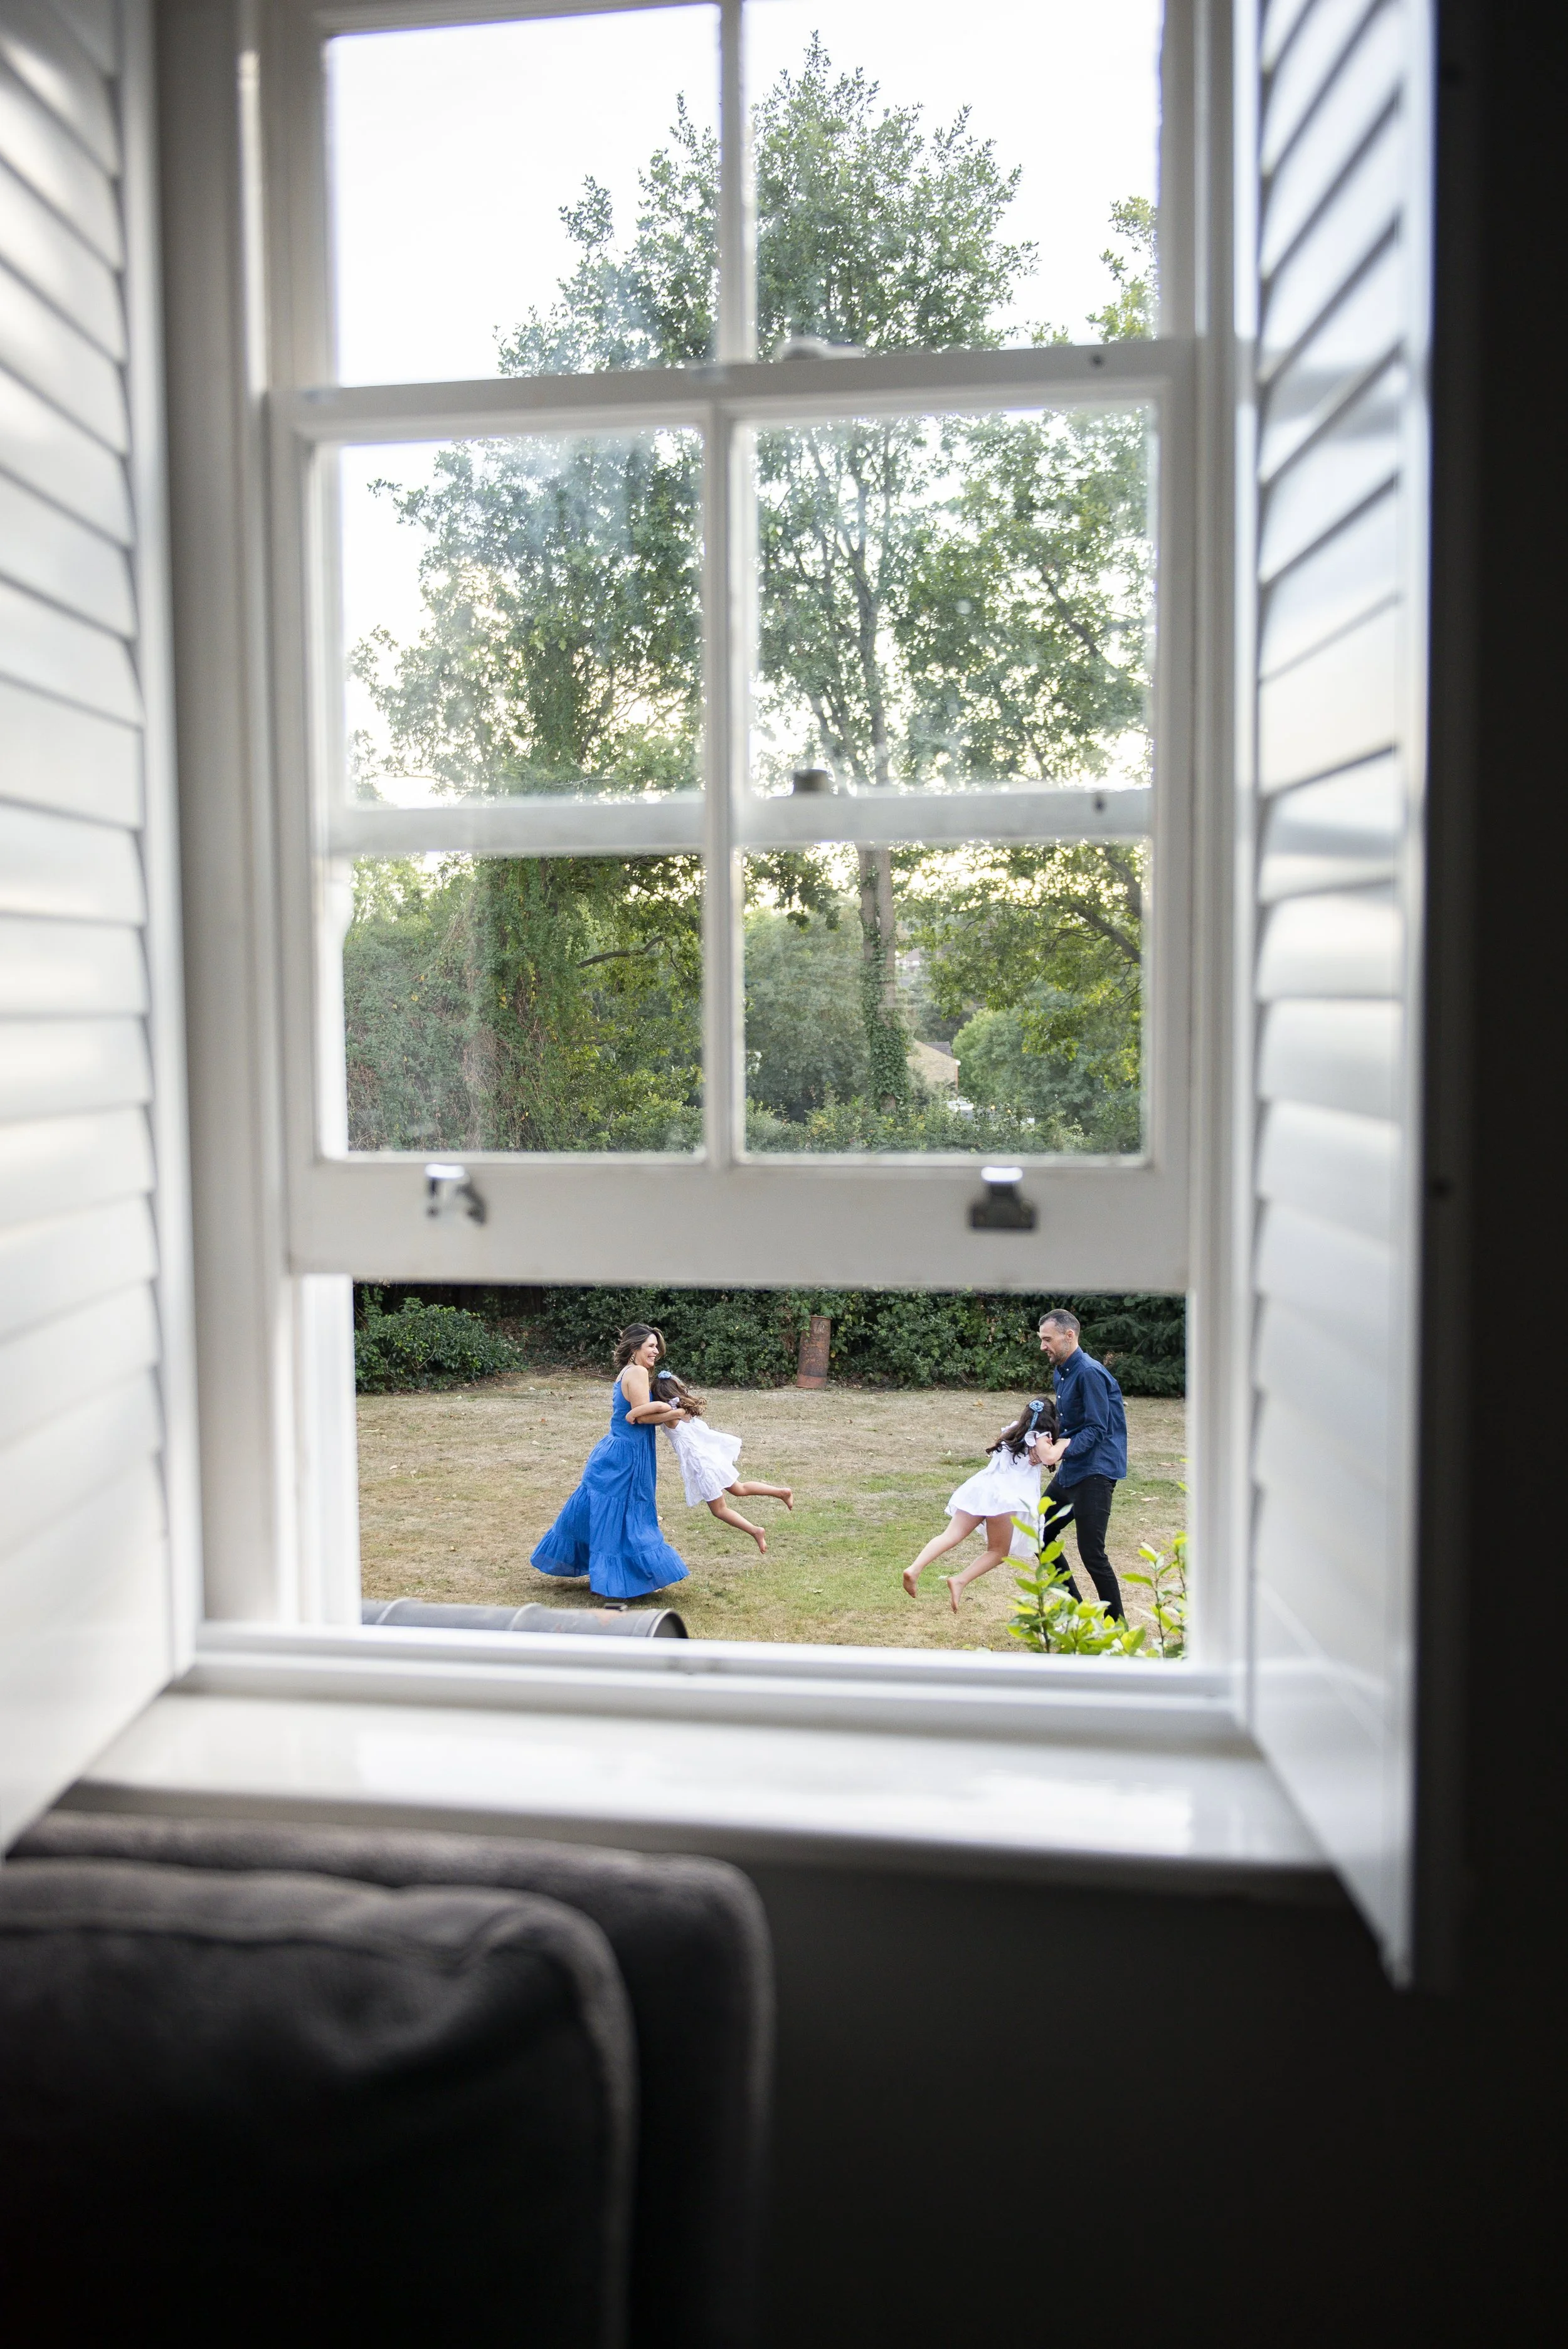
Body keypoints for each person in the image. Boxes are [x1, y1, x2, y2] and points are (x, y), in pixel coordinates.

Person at [530, 1323, 689, 1599]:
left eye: (656, 1347)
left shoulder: (629, 1371)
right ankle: (618, 1579)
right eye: (651, 1346)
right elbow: (640, 1416)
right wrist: (677, 1412)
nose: (655, 1351)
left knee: (617, 1517)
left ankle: (619, 1576)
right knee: (628, 1516)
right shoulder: (638, 1372)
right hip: (625, 1456)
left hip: (621, 1451)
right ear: (635, 1346)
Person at [901, 1394, 1066, 1613]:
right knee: (999, 1552)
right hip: (1004, 1499)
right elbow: (1049, 1457)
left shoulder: (1013, 1430)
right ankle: (960, 1580)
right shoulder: (1041, 1437)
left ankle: (915, 1568)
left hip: (981, 1490)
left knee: (950, 1535)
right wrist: (1064, 1442)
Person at [1037, 1308, 1128, 1619]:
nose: (1043, 1346)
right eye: (1042, 1340)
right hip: (1074, 1469)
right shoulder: (1061, 1372)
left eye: (1047, 1339)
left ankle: (1116, 1627)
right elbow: (1071, 1425)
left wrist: (1062, 1449)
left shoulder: (1089, 1372)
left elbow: (1096, 1428)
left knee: (1092, 1554)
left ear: (1069, 1336)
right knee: (1038, 1531)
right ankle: (1075, 1613)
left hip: (1096, 1471)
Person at [652, 1370, 793, 1554]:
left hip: (702, 1466)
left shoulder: (670, 1416)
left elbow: (646, 1419)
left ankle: (755, 1531)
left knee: (719, 1510)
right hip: (711, 1459)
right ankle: (781, 1492)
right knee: (739, 1489)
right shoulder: (684, 1411)